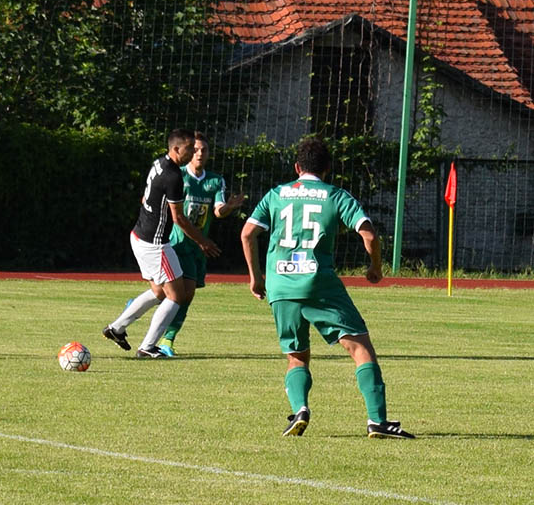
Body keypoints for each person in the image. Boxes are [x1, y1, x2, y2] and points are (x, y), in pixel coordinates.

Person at [240, 137, 414, 439]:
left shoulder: (276, 194)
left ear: (297, 167)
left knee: (296, 355)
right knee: (359, 347)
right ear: (328, 168)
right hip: (319, 282)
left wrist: (256, 277)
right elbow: (369, 236)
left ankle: (301, 409)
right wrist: (375, 267)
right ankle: (377, 421)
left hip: (281, 285)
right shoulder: (336, 196)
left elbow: (247, 234)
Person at [102, 128, 221, 358]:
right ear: (176, 149)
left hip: (140, 235)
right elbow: (179, 218)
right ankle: (147, 348)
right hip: (155, 244)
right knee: (176, 296)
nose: (193, 153)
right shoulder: (174, 176)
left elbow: (147, 198)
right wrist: (203, 242)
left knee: (158, 291)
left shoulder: (159, 163)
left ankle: (116, 328)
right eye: (189, 149)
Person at [156, 131, 244, 357]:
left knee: (182, 295)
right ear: (188, 151)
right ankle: (156, 327)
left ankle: (165, 337)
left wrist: (230, 207)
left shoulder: (215, 180)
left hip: (196, 248)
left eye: (204, 150)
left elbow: (218, 210)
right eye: (195, 150)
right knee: (170, 294)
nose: (200, 154)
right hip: (175, 242)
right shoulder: (178, 176)